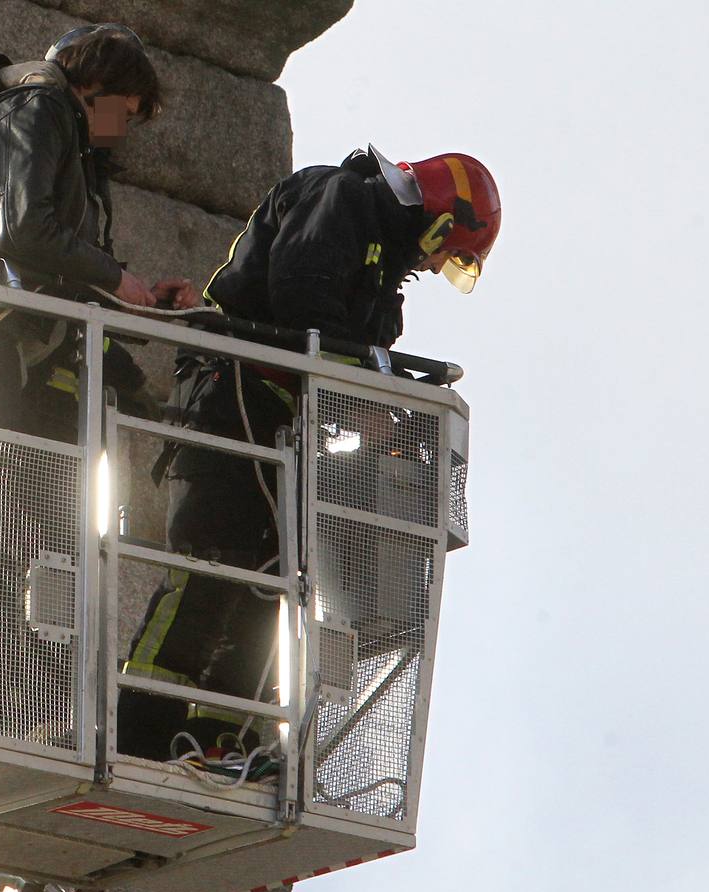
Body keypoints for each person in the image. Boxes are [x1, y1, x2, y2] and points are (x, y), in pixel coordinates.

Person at [117, 146, 502, 763]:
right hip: (231, 396)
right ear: (438, 220)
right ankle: (137, 726)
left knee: (266, 587)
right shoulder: (341, 199)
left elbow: (348, 349)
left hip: (282, 427)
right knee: (210, 569)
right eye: (447, 251)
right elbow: (302, 296)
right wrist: (361, 398)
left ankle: (222, 740)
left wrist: (381, 415)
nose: (435, 267)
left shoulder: (383, 278)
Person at [0, 24, 197, 442]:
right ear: (93, 83)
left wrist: (141, 302)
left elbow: (55, 261)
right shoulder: (39, 107)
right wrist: (114, 278)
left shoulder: (64, 135)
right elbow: (21, 227)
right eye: (121, 114)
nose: (121, 131)